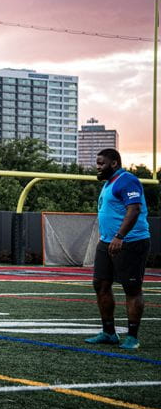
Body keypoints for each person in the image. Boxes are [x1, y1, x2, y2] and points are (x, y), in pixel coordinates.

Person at [85, 148, 151, 350]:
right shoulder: (108, 184)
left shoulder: (127, 180)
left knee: (131, 289)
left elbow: (134, 209)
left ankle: (132, 337)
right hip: (107, 242)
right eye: (97, 163)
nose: (98, 167)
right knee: (100, 284)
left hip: (130, 242)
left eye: (101, 163)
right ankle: (108, 332)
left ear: (114, 163)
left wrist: (120, 236)